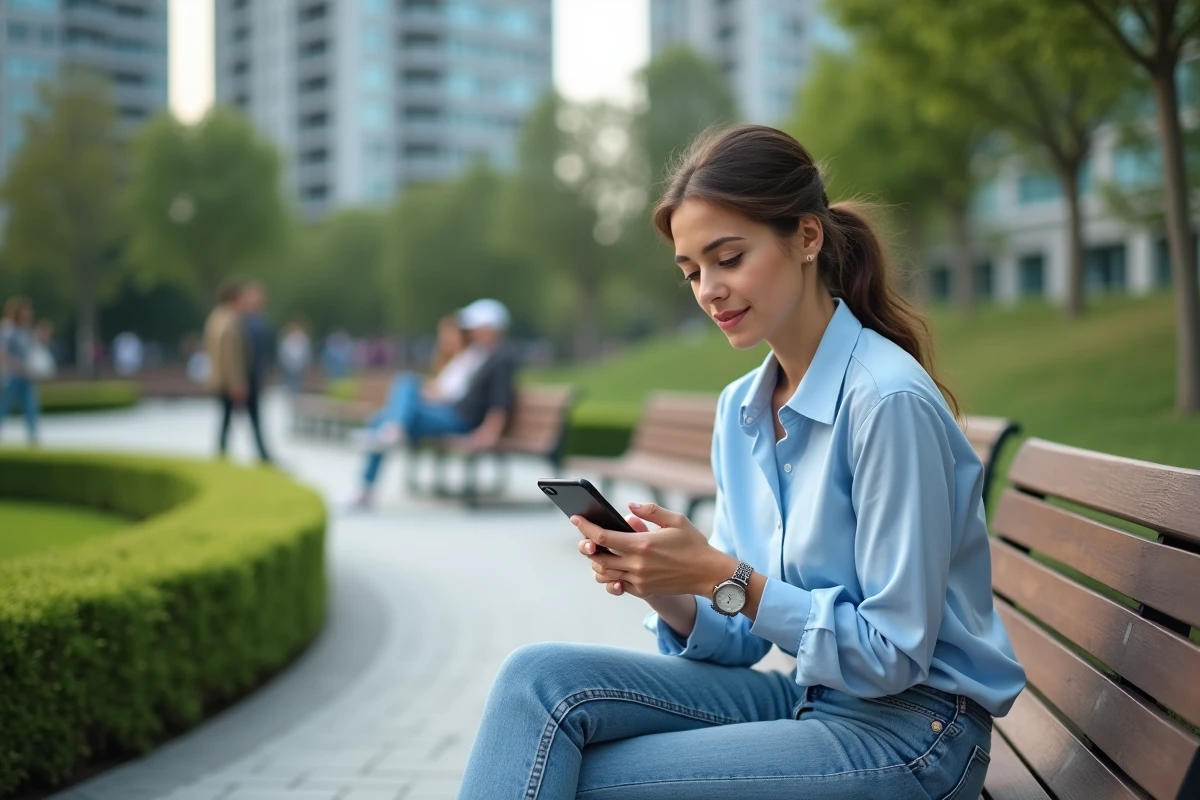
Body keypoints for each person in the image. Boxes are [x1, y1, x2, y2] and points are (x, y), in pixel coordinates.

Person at [456, 126, 1026, 800]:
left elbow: (890, 656)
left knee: (577, 777)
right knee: (536, 681)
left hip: (914, 735)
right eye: (693, 270)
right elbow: (739, 635)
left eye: (728, 258)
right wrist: (665, 581)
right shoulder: (742, 408)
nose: (709, 290)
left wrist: (723, 574)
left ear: (807, 238)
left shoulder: (886, 402)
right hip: (812, 698)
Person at [349, 299, 517, 509]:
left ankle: (366, 487)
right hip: (450, 414)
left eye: (476, 327)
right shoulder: (479, 354)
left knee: (399, 393)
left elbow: (500, 400)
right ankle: (390, 437)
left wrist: (489, 432)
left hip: (460, 420)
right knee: (381, 418)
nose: (471, 331)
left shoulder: (502, 358)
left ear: (490, 328)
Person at [203, 277, 270, 463]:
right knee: (232, 419)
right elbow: (231, 357)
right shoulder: (229, 321)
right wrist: (237, 382)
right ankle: (231, 454)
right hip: (231, 382)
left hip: (223, 380)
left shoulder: (217, 318)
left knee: (226, 420)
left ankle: (223, 454)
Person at [0, 297, 40, 445]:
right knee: (3, 407)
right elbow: (3, 353)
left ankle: (33, 439)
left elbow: (30, 353)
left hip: (26, 376)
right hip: (11, 376)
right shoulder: (9, 329)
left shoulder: (26, 331)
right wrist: (17, 366)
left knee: (31, 408)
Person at [278, 320, 312, 396]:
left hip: (299, 365)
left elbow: (306, 353)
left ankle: (295, 395)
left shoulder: (303, 339)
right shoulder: (287, 340)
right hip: (289, 364)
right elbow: (283, 353)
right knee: (289, 383)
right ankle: (290, 395)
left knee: (297, 382)